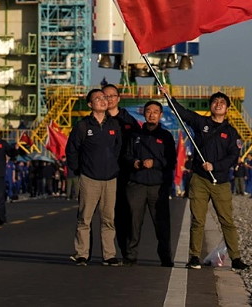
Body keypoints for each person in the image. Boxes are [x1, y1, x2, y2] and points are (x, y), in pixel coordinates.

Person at [162, 87, 248, 271]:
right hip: (199, 180)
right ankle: (194, 256)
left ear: (227, 108)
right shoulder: (201, 122)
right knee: (197, 220)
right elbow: (181, 113)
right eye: (215, 102)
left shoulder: (232, 133)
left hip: (220, 181)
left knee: (227, 221)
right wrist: (169, 97)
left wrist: (215, 166)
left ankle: (236, 258)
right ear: (211, 106)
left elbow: (233, 156)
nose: (218, 105)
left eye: (222, 103)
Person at [66, 87, 122, 266]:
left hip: (110, 178)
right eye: (98, 98)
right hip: (89, 178)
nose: (103, 100)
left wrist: (114, 167)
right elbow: (72, 150)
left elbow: (118, 148)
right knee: (85, 218)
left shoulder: (114, 124)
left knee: (109, 219)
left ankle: (109, 255)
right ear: (90, 104)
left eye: (104, 97)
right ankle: (82, 253)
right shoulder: (83, 126)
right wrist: (78, 169)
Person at [124, 100, 176, 267]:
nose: (152, 114)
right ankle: (130, 255)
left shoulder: (166, 137)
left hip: (157, 186)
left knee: (161, 223)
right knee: (133, 221)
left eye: (155, 111)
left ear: (161, 115)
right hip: (137, 184)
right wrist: (135, 163)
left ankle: (165, 257)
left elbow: (171, 160)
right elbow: (126, 156)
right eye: (148, 111)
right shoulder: (135, 135)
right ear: (143, 113)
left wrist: (155, 163)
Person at [102, 83, 141, 261]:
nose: (109, 99)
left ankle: (128, 251)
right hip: (102, 173)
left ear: (118, 98)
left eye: (112, 96)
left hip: (125, 173)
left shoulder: (129, 121)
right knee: (107, 214)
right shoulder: (96, 121)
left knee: (127, 212)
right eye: (105, 96)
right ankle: (97, 253)